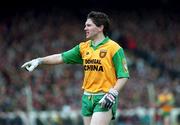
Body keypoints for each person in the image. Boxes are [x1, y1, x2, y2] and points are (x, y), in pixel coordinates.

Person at [21, 11, 129, 125]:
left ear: (100, 27)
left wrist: (112, 94)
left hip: (104, 97)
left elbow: (123, 75)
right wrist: (39, 60)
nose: (85, 28)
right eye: (85, 25)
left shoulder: (114, 48)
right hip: (87, 98)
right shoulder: (83, 47)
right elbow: (60, 57)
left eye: (89, 25)